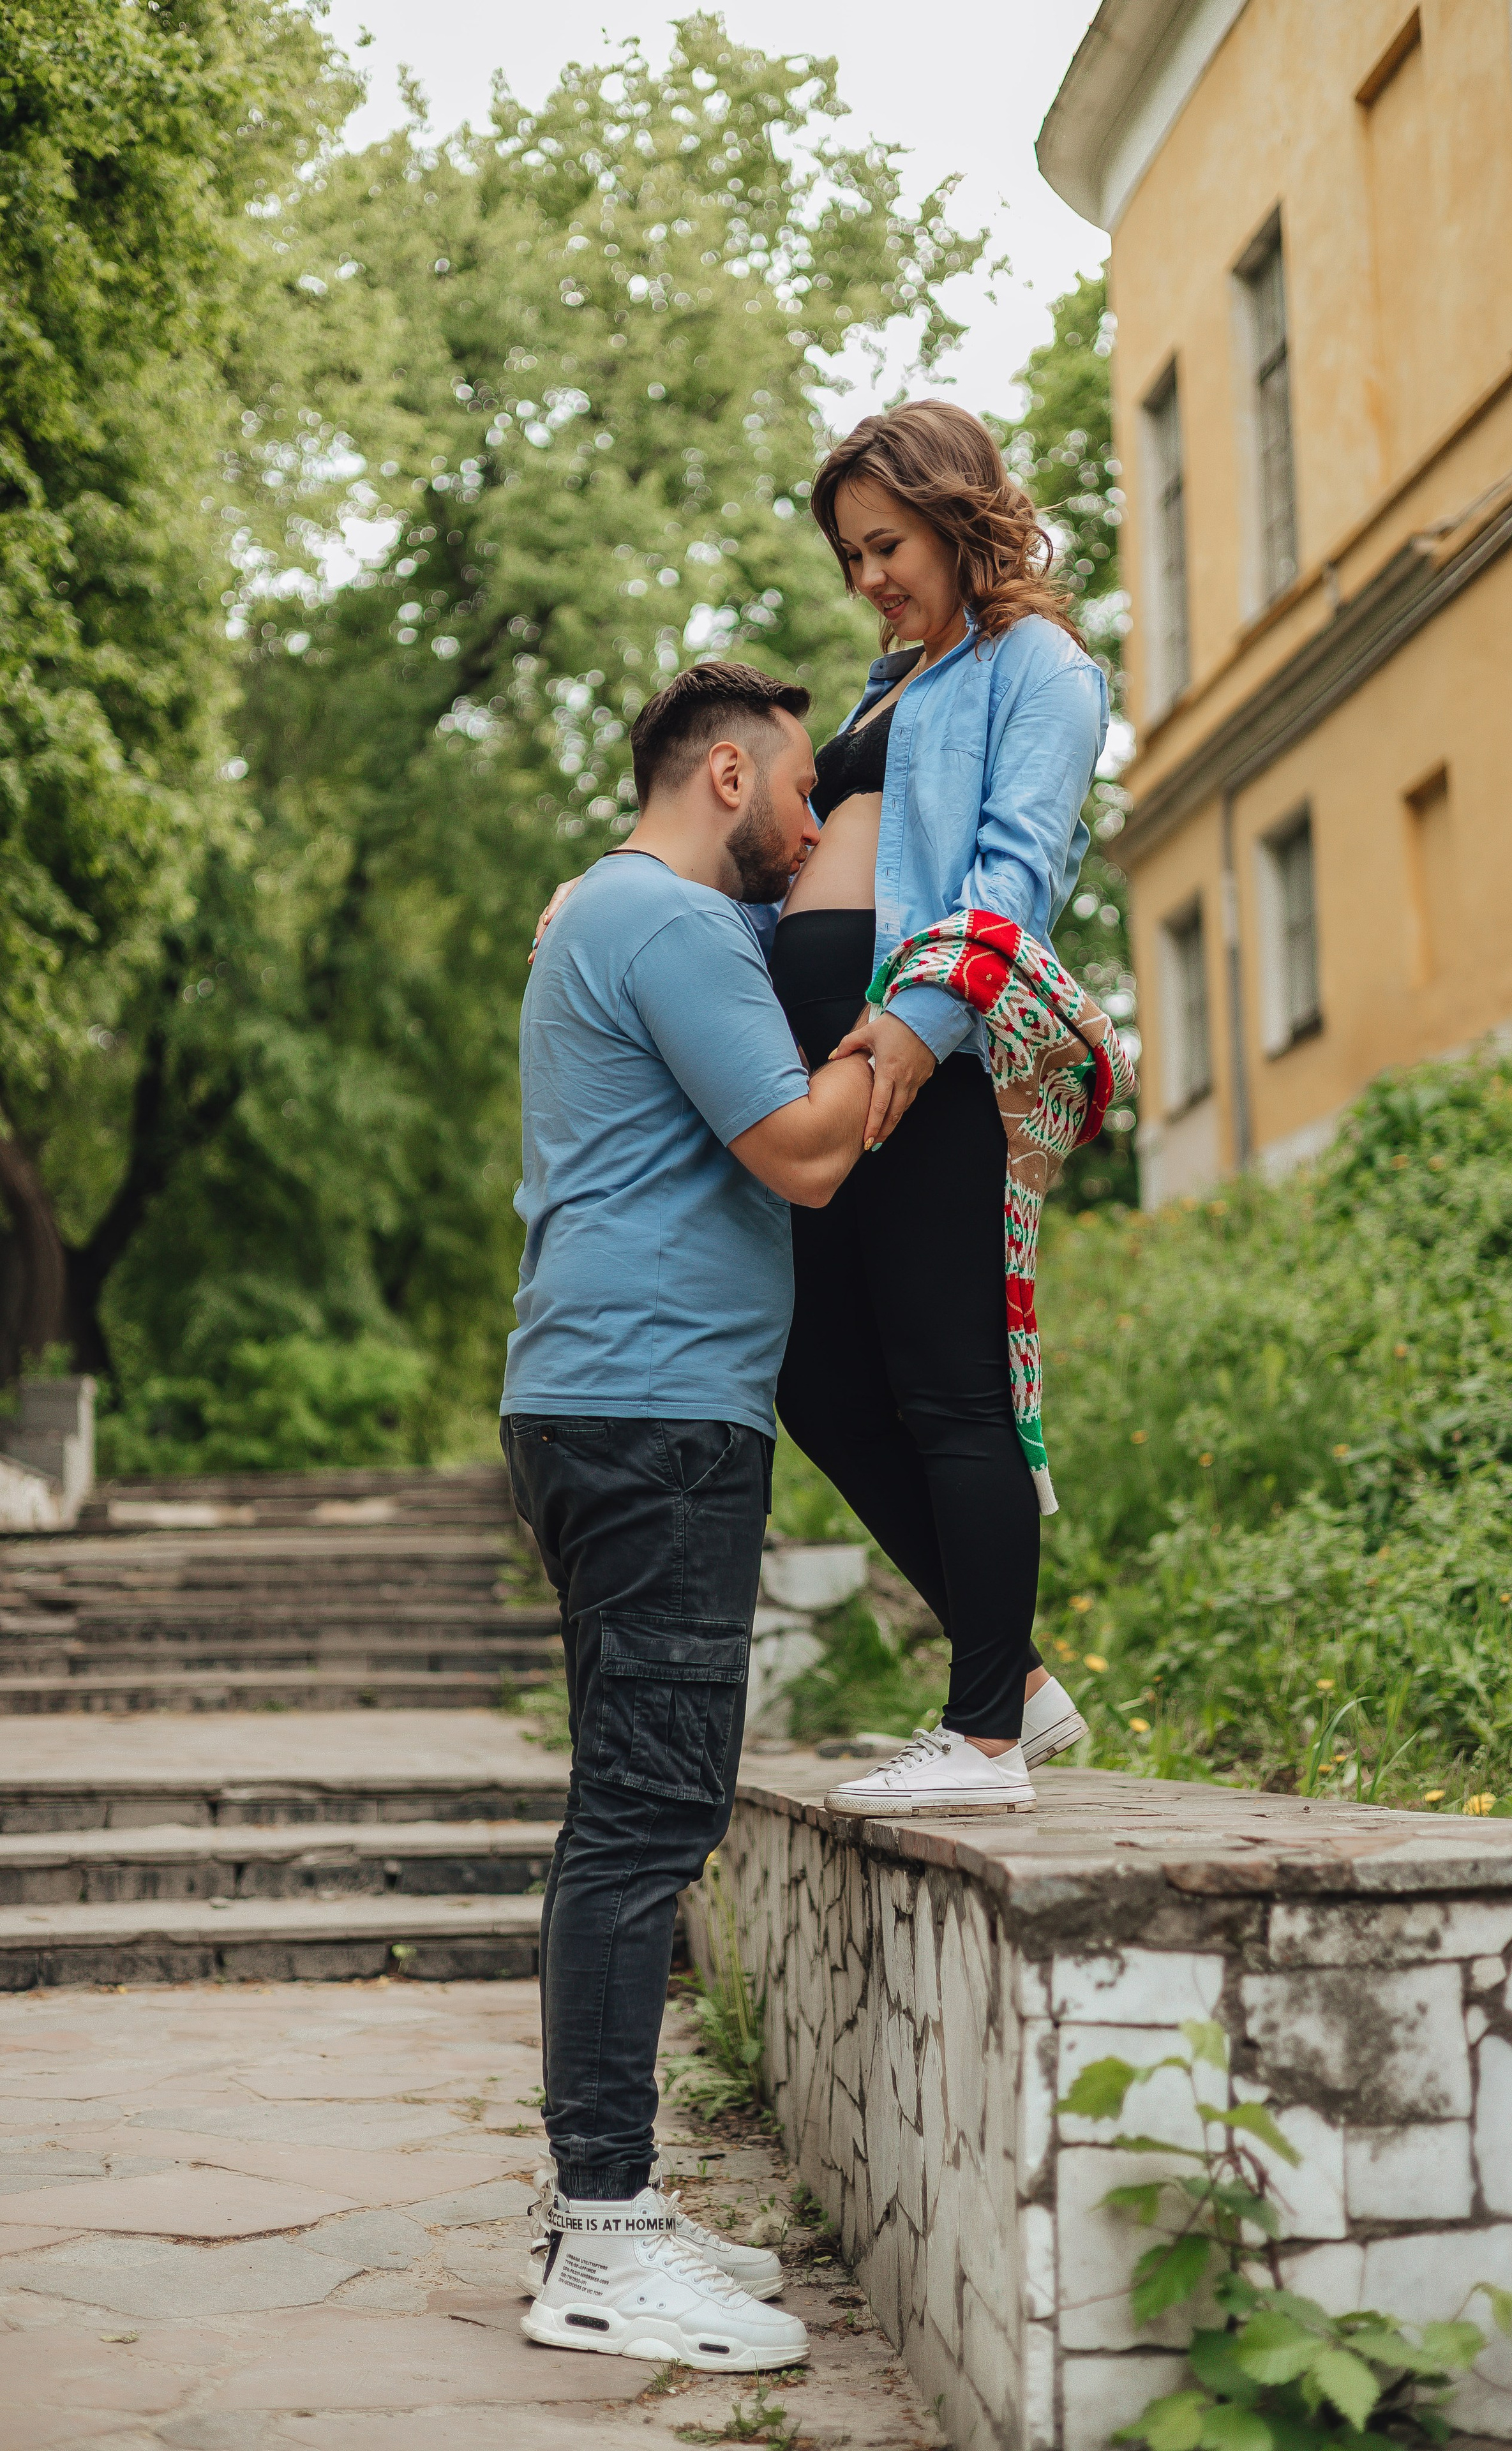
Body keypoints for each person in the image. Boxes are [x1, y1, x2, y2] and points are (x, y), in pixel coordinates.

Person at [501, 661, 872, 2372]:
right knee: (646, 1818)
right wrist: (921, 1021)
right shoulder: (665, 925)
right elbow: (801, 1148)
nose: (812, 827)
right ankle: (598, 2234)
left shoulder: (618, 910)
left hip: (625, 1398)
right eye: (802, 791)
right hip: (650, 1411)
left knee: (635, 1808)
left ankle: (613, 2199)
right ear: (727, 777)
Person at [767, 400, 1110, 1821]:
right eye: (851, 556)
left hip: (930, 1062)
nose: (868, 578)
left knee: (947, 1387)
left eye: (886, 544)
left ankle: (980, 1740)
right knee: (816, 1376)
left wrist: (916, 1026)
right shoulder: (891, 677)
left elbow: (1013, 870)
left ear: (958, 514)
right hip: (834, 1066)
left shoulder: (1042, 667)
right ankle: (1013, 1677)